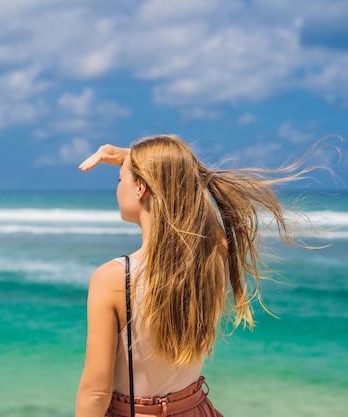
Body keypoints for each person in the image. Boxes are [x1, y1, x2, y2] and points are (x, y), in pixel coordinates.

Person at [75, 134, 310, 417]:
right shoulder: (211, 260)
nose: (117, 188)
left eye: (120, 179)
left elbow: (96, 392)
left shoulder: (113, 278)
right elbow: (201, 213)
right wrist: (149, 163)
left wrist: (138, 159)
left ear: (140, 187)